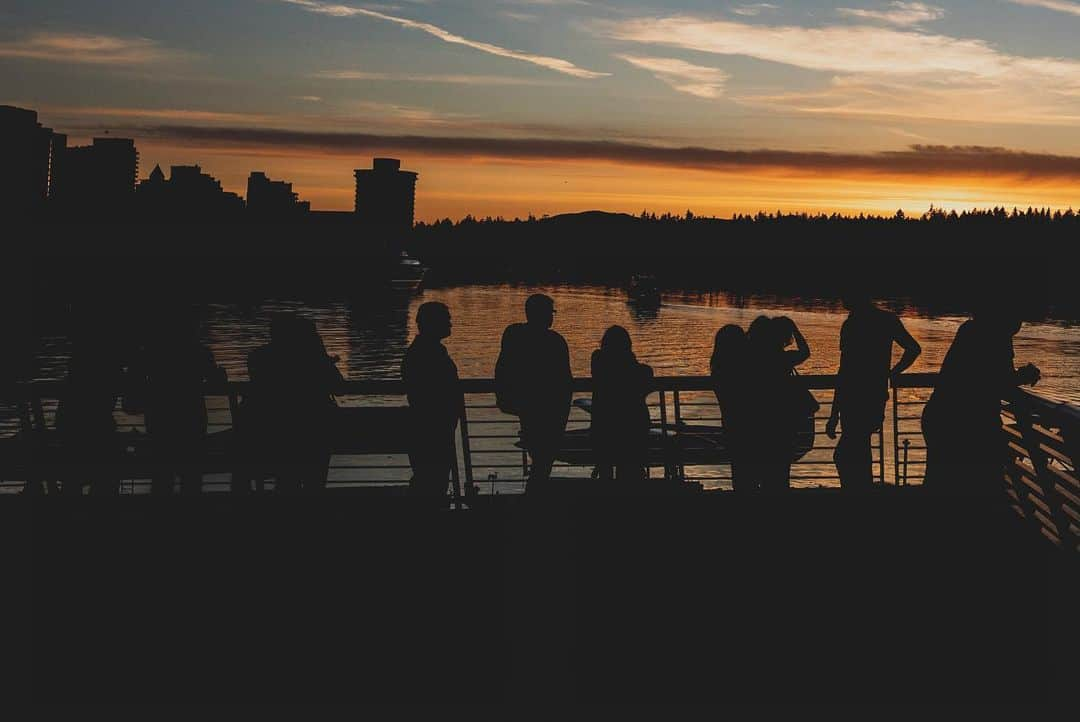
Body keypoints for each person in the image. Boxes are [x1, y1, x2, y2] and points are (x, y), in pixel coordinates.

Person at [921, 307, 1040, 496]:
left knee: (939, 484)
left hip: (940, 416)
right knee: (979, 485)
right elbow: (1002, 381)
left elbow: (988, 377)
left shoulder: (969, 329)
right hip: (967, 426)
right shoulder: (998, 336)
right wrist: (1026, 375)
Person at [826, 294, 921, 493]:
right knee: (859, 450)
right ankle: (862, 490)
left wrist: (834, 413)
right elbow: (913, 349)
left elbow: (845, 372)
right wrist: (892, 373)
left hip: (852, 397)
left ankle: (856, 491)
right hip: (874, 395)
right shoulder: (887, 320)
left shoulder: (851, 325)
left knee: (847, 453)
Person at [128, 308, 224, 495]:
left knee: (162, 477)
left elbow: (135, 382)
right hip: (192, 419)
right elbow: (217, 383)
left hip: (159, 420)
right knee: (192, 477)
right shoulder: (200, 352)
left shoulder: (150, 352)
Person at [246, 314, 345, 494]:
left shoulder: (258, 358)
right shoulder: (316, 359)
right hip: (315, 431)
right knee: (314, 481)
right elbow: (339, 387)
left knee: (286, 481)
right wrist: (321, 354)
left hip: (274, 431)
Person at [495, 294, 573, 493]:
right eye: (550, 313)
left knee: (538, 457)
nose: (551, 317)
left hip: (525, 406)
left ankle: (533, 498)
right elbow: (565, 382)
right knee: (543, 460)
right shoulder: (555, 342)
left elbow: (502, 368)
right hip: (549, 410)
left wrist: (504, 398)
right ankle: (534, 500)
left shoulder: (513, 334)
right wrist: (562, 416)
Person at [55, 312, 126, 496]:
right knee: (110, 455)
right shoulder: (113, 363)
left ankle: (71, 509)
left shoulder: (79, 360)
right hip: (99, 436)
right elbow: (130, 406)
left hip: (68, 432)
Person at [401, 302, 464, 507]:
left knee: (430, 478)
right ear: (433, 323)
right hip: (434, 427)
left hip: (429, 425)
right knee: (433, 479)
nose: (450, 323)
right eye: (446, 319)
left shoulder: (420, 351)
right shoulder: (430, 353)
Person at [744, 315, 812, 494]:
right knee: (780, 471)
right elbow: (805, 352)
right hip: (782, 420)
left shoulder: (749, 359)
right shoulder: (783, 359)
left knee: (757, 469)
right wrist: (796, 330)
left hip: (755, 420)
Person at [590, 326, 654, 482]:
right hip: (633, 426)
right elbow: (645, 377)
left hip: (604, 424)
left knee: (605, 471)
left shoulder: (599, 361)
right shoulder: (639, 371)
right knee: (630, 472)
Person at [710, 324, 749, 492]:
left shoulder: (718, 369)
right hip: (751, 425)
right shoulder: (746, 370)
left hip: (730, 423)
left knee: (739, 471)